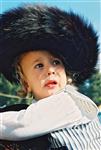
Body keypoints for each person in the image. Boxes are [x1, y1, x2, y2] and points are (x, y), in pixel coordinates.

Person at [0, 4, 101, 150]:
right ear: (26, 83)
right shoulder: (43, 109)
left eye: (56, 62)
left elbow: (19, 125)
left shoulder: (67, 102)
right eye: (39, 65)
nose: (50, 70)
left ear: (67, 75)